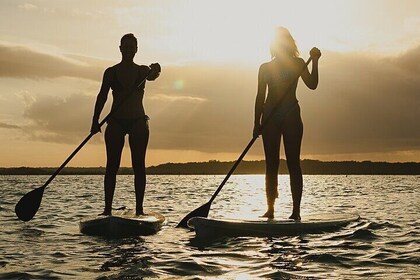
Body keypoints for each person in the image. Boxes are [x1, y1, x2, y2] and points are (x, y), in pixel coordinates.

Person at [253, 27, 321, 220]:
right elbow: (260, 97)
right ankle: (270, 210)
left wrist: (315, 61)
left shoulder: (298, 63)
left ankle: (296, 212)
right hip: (270, 117)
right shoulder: (264, 68)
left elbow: (313, 84)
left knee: (293, 163)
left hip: (291, 114)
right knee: (271, 164)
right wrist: (255, 123)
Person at [90, 33, 161, 216]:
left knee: (139, 165)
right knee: (112, 166)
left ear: (136, 50)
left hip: (138, 121)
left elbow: (155, 75)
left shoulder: (143, 71)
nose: (129, 50)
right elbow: (102, 96)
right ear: (120, 48)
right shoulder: (111, 72)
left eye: (132, 47)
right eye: (126, 46)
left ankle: (139, 210)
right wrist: (95, 121)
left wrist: (157, 68)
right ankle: (107, 210)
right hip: (116, 122)